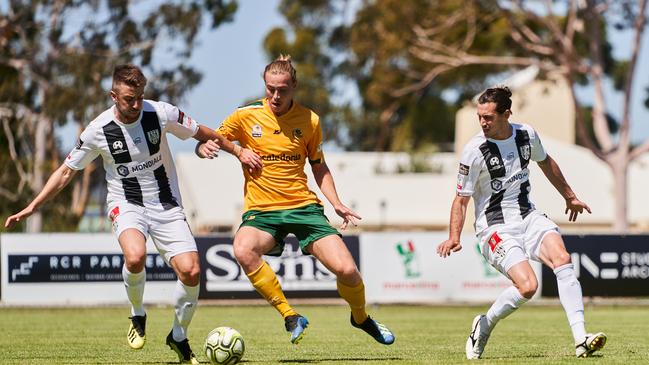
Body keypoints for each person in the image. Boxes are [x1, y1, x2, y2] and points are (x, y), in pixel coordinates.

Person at [4, 64, 262, 364]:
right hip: (126, 203)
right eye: (129, 98)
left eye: (140, 96)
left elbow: (200, 131)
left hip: (166, 204)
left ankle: (178, 335)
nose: (137, 104)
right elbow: (65, 172)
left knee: (191, 271)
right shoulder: (97, 131)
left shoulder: (160, 112)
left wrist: (237, 151)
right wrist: (34, 205)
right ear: (114, 95)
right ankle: (137, 313)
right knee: (135, 256)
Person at [196, 55, 395, 346]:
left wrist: (336, 202)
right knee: (243, 249)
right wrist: (210, 149)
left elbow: (318, 165)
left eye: (283, 89)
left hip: (303, 207)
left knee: (348, 271)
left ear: (294, 87)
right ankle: (290, 315)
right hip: (262, 211)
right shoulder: (245, 115)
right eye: (270, 88)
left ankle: (361, 318)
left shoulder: (310, 120)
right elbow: (211, 138)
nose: (275, 95)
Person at [437, 86, 606, 359]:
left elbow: (545, 161)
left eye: (488, 117)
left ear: (506, 114)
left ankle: (580, 339)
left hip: (529, 216)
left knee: (562, 259)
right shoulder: (474, 151)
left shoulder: (526, 135)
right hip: (495, 228)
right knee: (527, 287)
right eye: (479, 117)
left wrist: (570, 196)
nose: (483, 123)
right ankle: (484, 324)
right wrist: (454, 236)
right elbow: (461, 199)